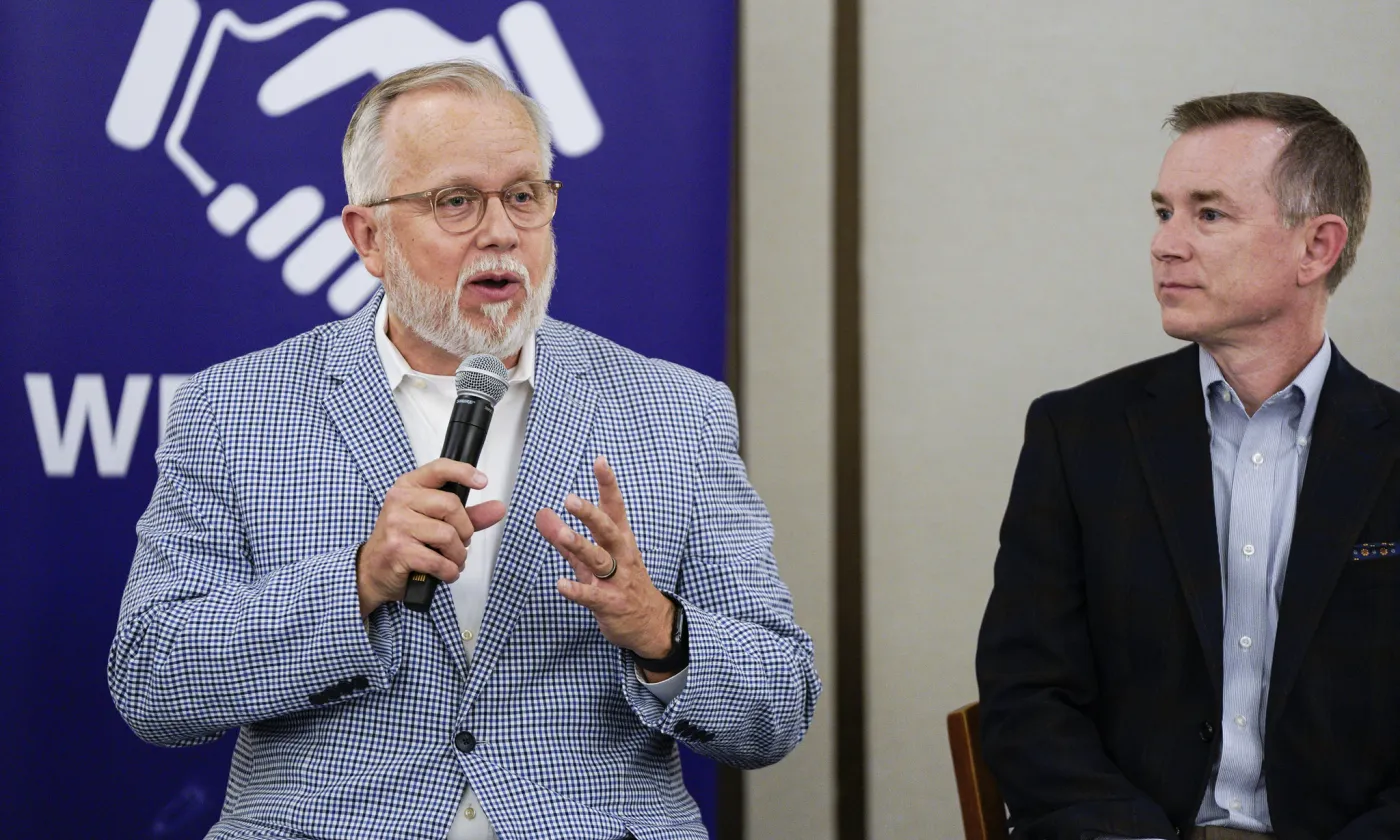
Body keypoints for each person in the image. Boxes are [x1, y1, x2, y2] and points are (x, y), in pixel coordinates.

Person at [108, 60, 819, 840]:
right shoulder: (236, 410)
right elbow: (153, 682)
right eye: (456, 201)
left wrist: (658, 630)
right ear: (368, 237)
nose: (501, 231)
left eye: (524, 195)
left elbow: (779, 706)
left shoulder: (676, 411)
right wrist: (357, 582)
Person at [976, 92, 1400, 840]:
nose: (1166, 244)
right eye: (1163, 211)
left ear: (1318, 247)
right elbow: (1027, 697)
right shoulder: (1077, 435)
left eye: (1208, 214)